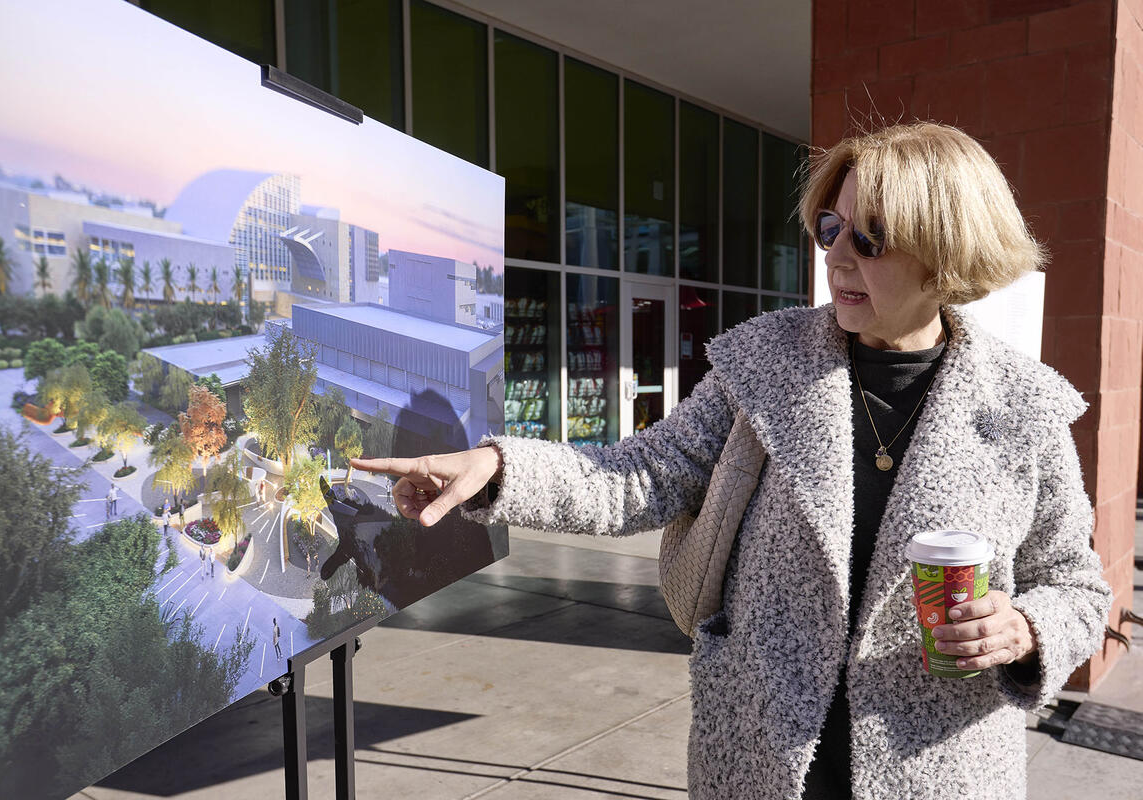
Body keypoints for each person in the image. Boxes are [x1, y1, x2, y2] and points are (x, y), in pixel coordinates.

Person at [351, 122, 1113, 799]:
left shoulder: (1026, 408)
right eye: (829, 228)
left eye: (870, 238)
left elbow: (1076, 586)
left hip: (944, 769)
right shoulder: (765, 363)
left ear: (948, 253)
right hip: (761, 759)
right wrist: (498, 468)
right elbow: (639, 475)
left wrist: (1024, 630)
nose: (836, 258)